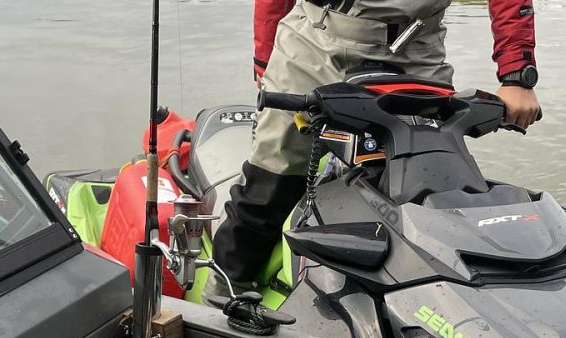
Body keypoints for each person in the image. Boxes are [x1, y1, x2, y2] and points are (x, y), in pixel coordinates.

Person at [211, 0, 541, 288]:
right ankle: (228, 287)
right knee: (273, 179)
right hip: (315, 40)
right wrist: (265, 56)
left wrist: (516, 74)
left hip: (417, 49)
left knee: (441, 191)